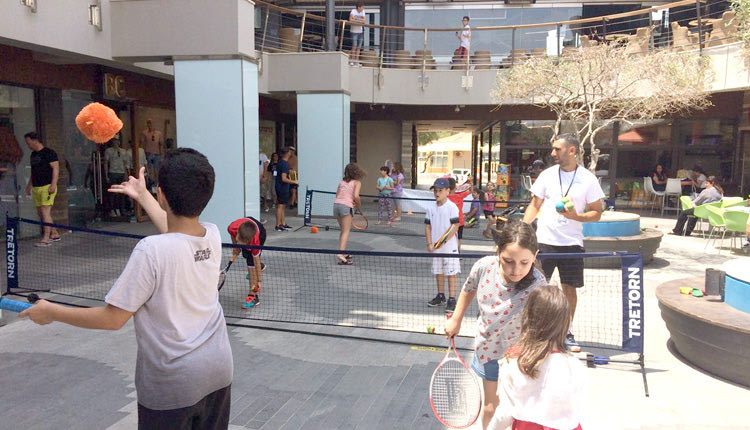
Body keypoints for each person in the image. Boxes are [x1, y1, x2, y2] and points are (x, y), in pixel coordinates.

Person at [21, 149, 234, 429]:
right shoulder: (212, 235)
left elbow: (113, 319)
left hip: (172, 385)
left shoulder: (151, 251)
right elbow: (174, 233)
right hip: (218, 371)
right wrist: (144, 195)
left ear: (163, 196)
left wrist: (52, 311)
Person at [445, 221, 547, 429]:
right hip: (488, 350)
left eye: (524, 262)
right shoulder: (484, 266)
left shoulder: (538, 283)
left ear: (535, 256)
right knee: (492, 407)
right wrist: (456, 318)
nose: (516, 270)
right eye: (508, 261)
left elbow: (544, 321)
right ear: (498, 251)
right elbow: (468, 288)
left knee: (518, 410)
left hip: (520, 357)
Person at [522, 134, 605, 353]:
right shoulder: (547, 175)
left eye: (557, 149)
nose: (552, 153)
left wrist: (576, 217)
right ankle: (535, 332)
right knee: (536, 289)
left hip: (572, 244)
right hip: (545, 243)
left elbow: (597, 212)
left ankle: (564, 333)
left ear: (572, 150)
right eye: (552, 149)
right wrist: (522, 228)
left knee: (569, 290)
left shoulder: (587, 179)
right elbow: (534, 205)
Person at [487, 285, 587, 430]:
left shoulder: (514, 363)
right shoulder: (576, 367)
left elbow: (505, 413)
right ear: (566, 323)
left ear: (528, 318)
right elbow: (574, 410)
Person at [425, 177, 461, 313]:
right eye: (435, 191)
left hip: (449, 248)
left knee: (451, 273)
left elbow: (455, 226)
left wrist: (442, 241)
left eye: (440, 190)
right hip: (435, 249)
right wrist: (429, 243)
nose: (437, 193)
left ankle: (452, 299)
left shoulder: (452, 207)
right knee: (438, 272)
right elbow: (427, 227)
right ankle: (441, 296)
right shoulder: (430, 208)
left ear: (447, 191)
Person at [23, 132, 61, 247]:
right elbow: (33, 172)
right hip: (36, 186)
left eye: (28, 141)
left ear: (35, 140)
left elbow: (56, 169)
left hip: (47, 186)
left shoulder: (49, 153)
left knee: (45, 212)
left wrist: (53, 184)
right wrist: (29, 186)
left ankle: (46, 238)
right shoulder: (33, 155)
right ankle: (54, 233)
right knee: (41, 213)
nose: (27, 144)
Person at [228, 216, 266, 309]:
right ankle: (258, 270)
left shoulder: (254, 242)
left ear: (248, 242)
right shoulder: (232, 228)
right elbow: (233, 235)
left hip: (260, 232)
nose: (239, 242)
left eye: (242, 243)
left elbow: (256, 261)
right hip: (247, 225)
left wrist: (259, 281)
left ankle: (253, 297)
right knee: (246, 256)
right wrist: (235, 246)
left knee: (251, 263)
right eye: (238, 240)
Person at [333, 163, 365, 265]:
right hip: (346, 206)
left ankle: (343, 251)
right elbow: (356, 196)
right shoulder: (357, 182)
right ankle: (341, 254)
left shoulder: (342, 182)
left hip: (336, 205)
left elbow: (337, 194)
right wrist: (358, 204)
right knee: (346, 231)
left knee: (343, 231)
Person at [104, 139, 130, 218]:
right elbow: (106, 163)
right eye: (114, 141)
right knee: (113, 193)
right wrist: (106, 175)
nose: (116, 143)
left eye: (117, 141)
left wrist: (127, 174)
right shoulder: (109, 151)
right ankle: (112, 209)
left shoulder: (123, 151)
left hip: (121, 172)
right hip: (113, 172)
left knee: (121, 193)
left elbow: (125, 163)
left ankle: (121, 209)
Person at [274, 147, 298, 232]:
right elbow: (284, 178)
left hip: (283, 187)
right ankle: (278, 224)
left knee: (283, 205)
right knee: (280, 206)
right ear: (287, 153)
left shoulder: (282, 163)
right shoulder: (284, 164)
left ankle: (283, 223)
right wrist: (294, 181)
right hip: (282, 187)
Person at [447, 177, 472, 251]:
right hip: (459, 220)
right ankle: (457, 254)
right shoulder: (460, 195)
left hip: (448, 220)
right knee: (458, 238)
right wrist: (470, 183)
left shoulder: (445, 196)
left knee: (448, 237)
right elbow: (470, 191)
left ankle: (448, 252)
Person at [140, 119, 163, 184]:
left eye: (151, 123)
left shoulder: (159, 133)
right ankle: (150, 183)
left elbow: (161, 144)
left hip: (156, 153)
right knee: (149, 170)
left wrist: (161, 154)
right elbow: (142, 143)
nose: (150, 125)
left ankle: (157, 183)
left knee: (156, 170)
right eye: (148, 123)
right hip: (148, 153)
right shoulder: (144, 133)